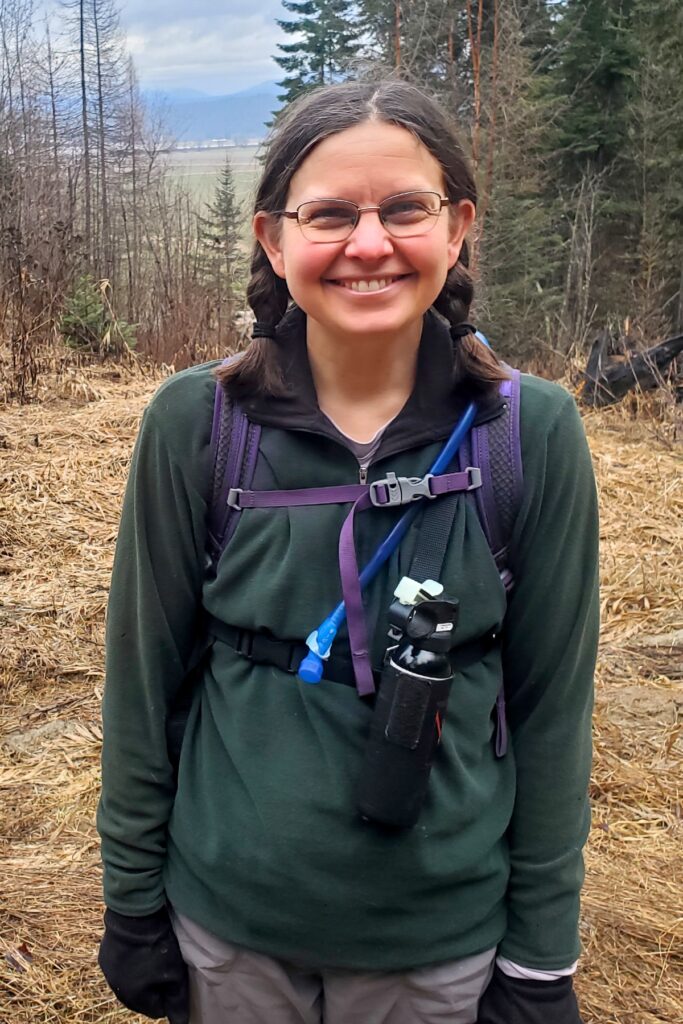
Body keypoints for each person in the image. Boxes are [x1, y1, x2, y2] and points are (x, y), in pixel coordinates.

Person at [97, 79, 599, 1024]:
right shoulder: (198, 426)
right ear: (274, 239)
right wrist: (132, 901)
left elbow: (551, 714)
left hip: (436, 945)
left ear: (455, 229)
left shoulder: (526, 435)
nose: (368, 244)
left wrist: (540, 958)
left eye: (403, 209)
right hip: (227, 929)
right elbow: (141, 685)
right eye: (328, 215)